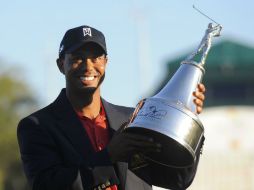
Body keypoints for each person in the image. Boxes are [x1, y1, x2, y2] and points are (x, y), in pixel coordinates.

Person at [17, 25, 206, 190]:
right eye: (77, 58)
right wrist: (108, 157)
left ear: (106, 63)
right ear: (61, 65)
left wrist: (187, 121)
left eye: (96, 58)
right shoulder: (37, 126)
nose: (88, 66)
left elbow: (178, 179)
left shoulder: (133, 118)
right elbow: (46, 186)